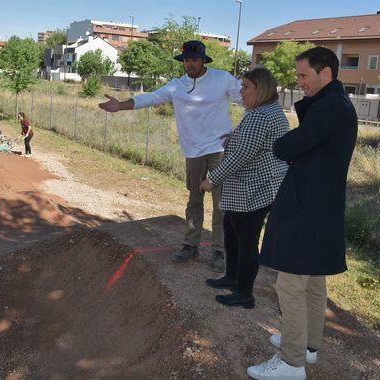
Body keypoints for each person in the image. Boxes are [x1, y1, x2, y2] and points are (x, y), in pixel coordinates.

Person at [246, 47, 358, 380]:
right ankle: (308, 346)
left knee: (290, 285)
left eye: (303, 75)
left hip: (309, 208)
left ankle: (292, 362)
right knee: (313, 281)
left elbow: (287, 146)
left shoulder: (329, 108)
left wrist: (284, 142)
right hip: (320, 206)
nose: (299, 83)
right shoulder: (336, 105)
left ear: (326, 73)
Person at [98, 40, 241, 272]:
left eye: (194, 59)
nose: (190, 64)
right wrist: (121, 106)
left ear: (204, 60)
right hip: (193, 151)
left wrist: (249, 125)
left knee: (221, 203)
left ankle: (219, 251)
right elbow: (150, 98)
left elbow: (248, 98)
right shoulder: (177, 86)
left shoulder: (223, 79)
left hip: (219, 150)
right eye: (186, 60)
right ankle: (190, 245)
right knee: (194, 199)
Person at [200, 67, 289, 309]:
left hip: (252, 190)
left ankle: (244, 293)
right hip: (254, 188)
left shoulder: (260, 116)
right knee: (231, 232)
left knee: (247, 242)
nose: (241, 92)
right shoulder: (267, 111)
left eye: (246, 87)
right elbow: (251, 145)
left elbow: (242, 155)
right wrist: (234, 137)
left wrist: (212, 179)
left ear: (260, 89)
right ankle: (232, 277)